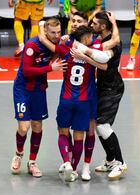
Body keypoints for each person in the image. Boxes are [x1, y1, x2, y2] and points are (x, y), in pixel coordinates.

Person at [39, 24, 107, 182]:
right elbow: (104, 63)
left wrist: (42, 25)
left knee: (62, 132)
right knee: (79, 137)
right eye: (90, 37)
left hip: (66, 99)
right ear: (85, 39)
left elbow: (44, 40)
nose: (92, 38)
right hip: (84, 101)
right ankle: (74, 169)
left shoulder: (65, 50)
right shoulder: (91, 55)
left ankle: (67, 162)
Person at [10, 17, 67, 178]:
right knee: (23, 127)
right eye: (53, 32)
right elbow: (27, 70)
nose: (56, 35)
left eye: (58, 32)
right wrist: (51, 68)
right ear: (45, 32)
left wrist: (59, 48)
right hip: (22, 89)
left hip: (39, 89)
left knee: (37, 126)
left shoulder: (55, 46)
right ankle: (18, 154)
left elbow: (58, 54)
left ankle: (32, 162)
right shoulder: (32, 45)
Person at [76, 11, 127, 181]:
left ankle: (120, 162)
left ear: (103, 26)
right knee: (98, 126)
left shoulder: (113, 44)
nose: (91, 26)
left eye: (95, 23)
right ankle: (110, 160)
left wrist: (84, 55)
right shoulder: (102, 39)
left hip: (112, 88)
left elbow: (104, 65)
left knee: (102, 125)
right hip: (102, 87)